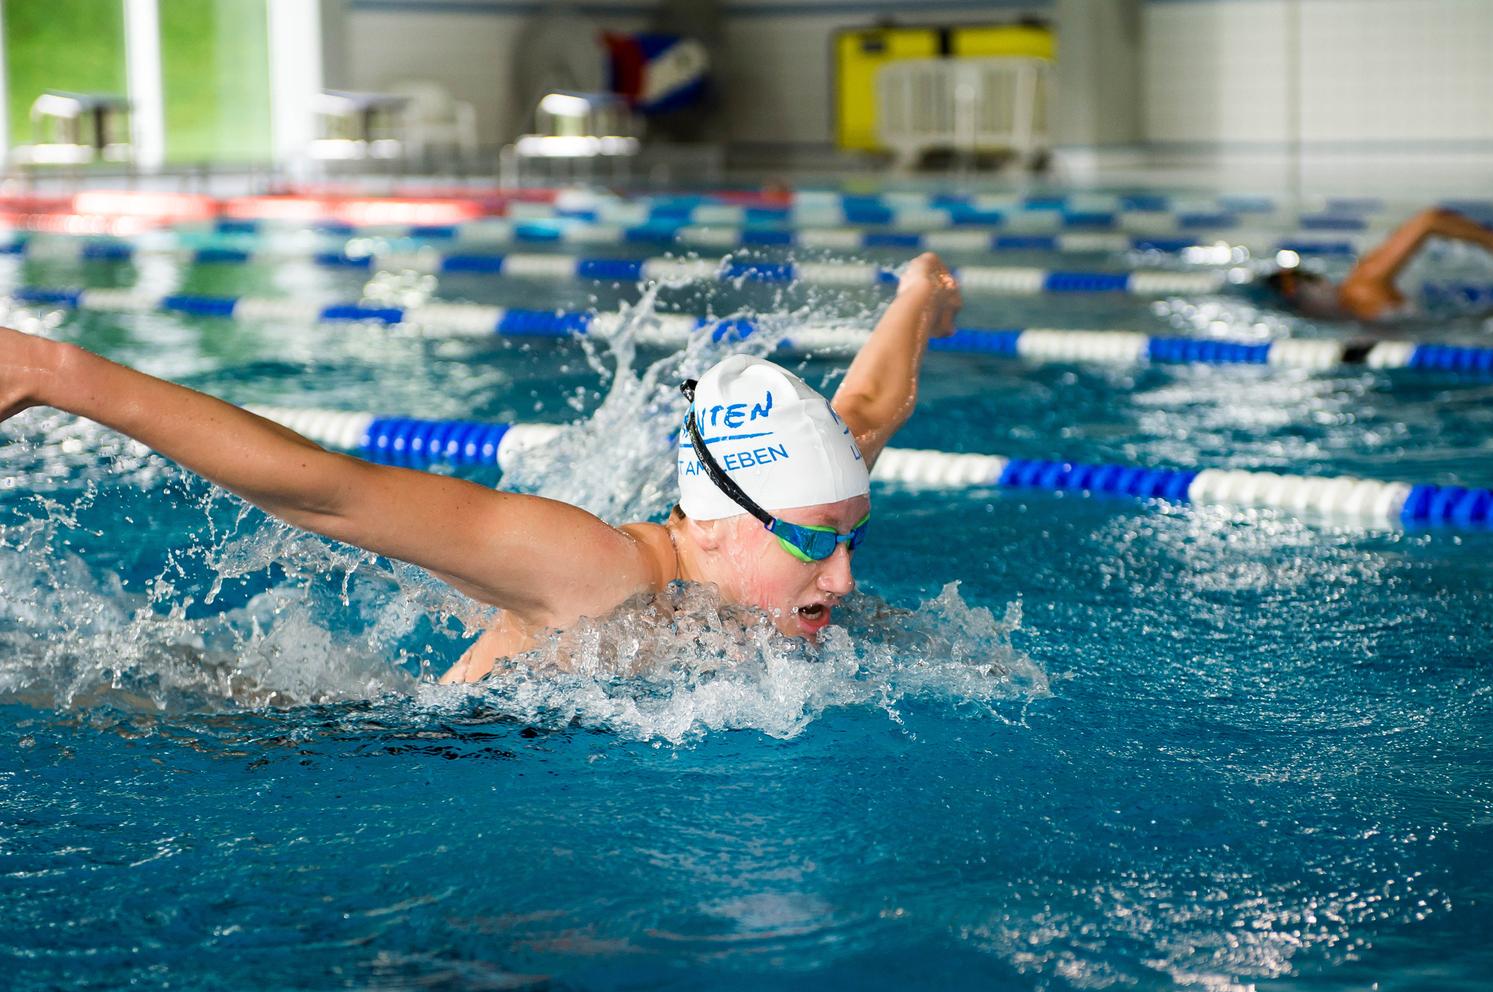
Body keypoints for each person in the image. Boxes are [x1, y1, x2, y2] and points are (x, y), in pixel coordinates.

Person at [0, 253, 963, 685]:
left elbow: (868, 409)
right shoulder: (596, 572)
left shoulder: (790, 500)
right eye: (814, 543)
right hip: (376, 756)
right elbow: (324, 489)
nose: (842, 574)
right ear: (709, 520)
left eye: (850, 536)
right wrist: (54, 371)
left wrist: (918, 292)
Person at [1262, 206, 1493, 321]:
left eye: (1301, 301)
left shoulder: (1361, 284)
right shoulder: (1351, 308)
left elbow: (1428, 220)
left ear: (1318, 284)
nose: (1308, 312)